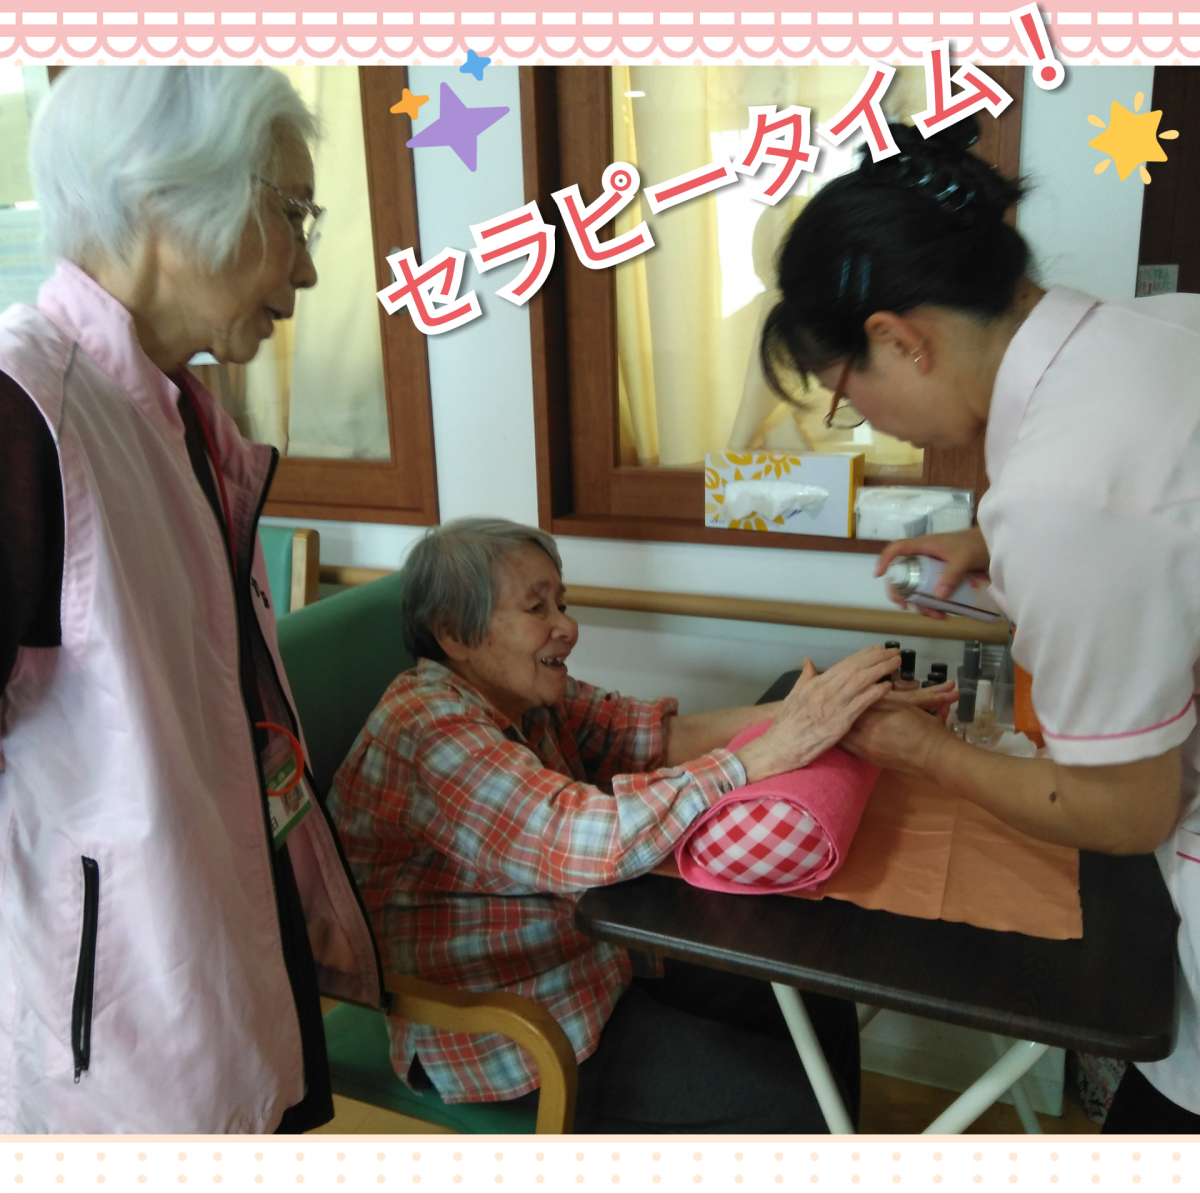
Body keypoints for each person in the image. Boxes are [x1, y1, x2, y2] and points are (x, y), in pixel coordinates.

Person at [759, 116, 1200, 1133]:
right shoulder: (1162, 330)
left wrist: (923, 750)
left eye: (847, 397)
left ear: (898, 339)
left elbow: (1127, 813)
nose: (869, 421)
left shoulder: (1064, 491)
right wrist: (999, 547)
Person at [0, 66, 380, 1134]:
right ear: (165, 193)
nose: (307, 266)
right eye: (293, 214)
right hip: (114, 1033)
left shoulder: (176, 419)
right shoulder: (25, 409)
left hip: (224, 968)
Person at [327, 517, 950, 1132]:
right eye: (537, 608)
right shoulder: (431, 728)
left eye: (562, 602)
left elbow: (654, 735)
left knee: (812, 987)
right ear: (454, 634)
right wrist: (766, 752)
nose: (567, 626)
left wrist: (819, 712)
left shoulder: (520, 693)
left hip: (588, 962)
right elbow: (586, 840)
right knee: (792, 1106)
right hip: (508, 1027)